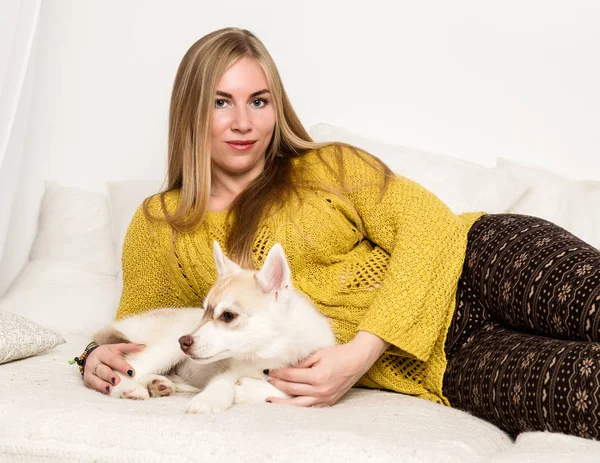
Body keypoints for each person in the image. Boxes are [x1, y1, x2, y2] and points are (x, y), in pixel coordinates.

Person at [74, 27, 600, 440]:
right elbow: (149, 324)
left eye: (259, 100)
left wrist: (361, 351)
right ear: (190, 111)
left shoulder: (329, 166)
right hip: (448, 359)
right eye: (220, 102)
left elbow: (430, 225)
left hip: (481, 262)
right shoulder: (160, 223)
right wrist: (97, 356)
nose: (243, 122)